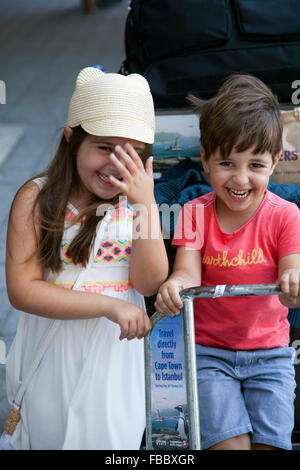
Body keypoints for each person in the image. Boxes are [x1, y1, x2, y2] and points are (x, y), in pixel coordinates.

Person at [5, 66, 168, 450]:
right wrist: (107, 305)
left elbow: (149, 282)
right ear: (71, 139)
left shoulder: (138, 206)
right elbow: (22, 289)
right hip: (51, 358)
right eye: (105, 147)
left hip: (114, 362)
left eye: (133, 153)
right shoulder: (36, 199)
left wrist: (146, 204)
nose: (116, 164)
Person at [154, 74, 300, 450]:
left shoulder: (285, 216)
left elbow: (291, 267)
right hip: (208, 354)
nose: (240, 178)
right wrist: (175, 284)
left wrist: (294, 281)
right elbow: (187, 272)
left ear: (274, 163)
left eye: (255, 165)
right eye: (227, 163)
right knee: (228, 445)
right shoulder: (193, 212)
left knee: (271, 444)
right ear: (205, 158)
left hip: (270, 354)